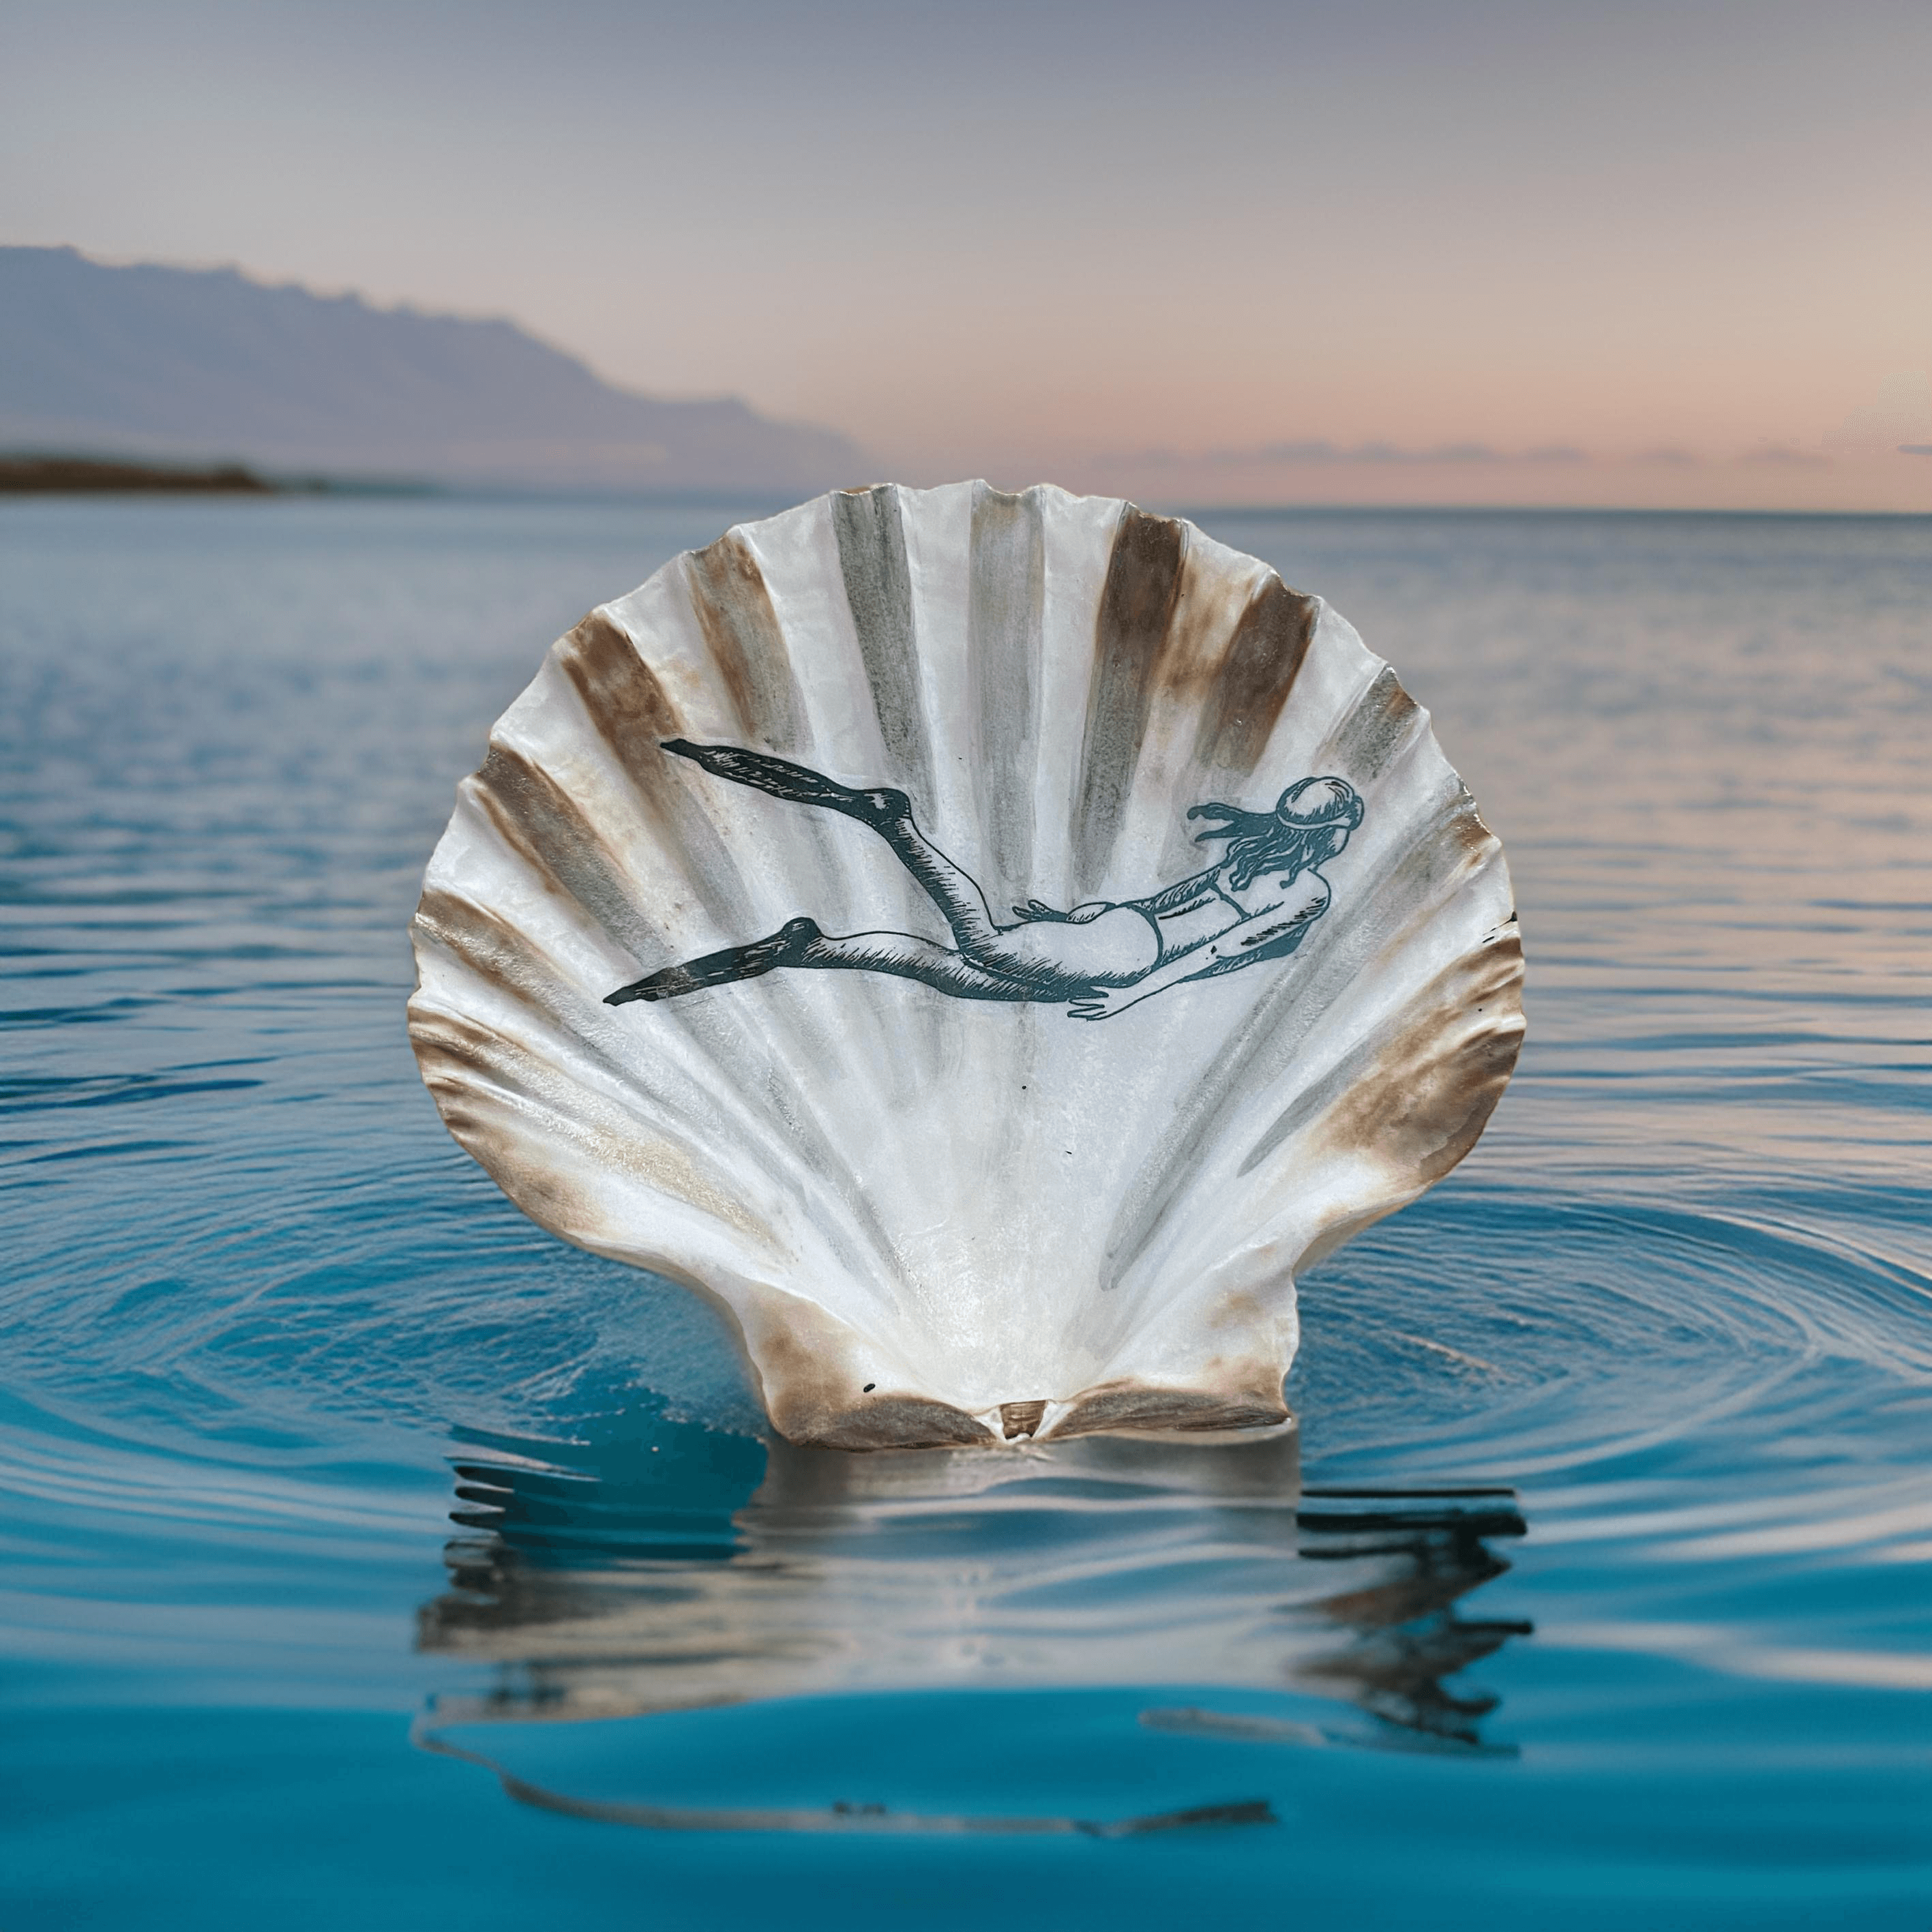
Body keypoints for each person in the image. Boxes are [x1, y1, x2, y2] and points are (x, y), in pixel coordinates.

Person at [606, 741, 1363, 1021]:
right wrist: (1129, 983)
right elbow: (1207, 950)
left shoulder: (1247, 864)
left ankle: (810, 947)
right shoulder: (1306, 894)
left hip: (1117, 938)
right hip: (1126, 955)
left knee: (955, 976)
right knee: (987, 944)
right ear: (1335, 835)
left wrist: (1080, 922)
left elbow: (1168, 906)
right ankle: (891, 820)